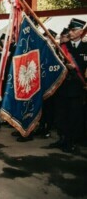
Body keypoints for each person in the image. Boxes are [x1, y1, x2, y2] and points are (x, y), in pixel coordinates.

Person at [50, 18, 86, 153]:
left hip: (77, 88)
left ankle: (71, 142)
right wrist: (65, 66)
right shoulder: (63, 47)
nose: (70, 33)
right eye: (70, 30)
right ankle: (62, 138)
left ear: (81, 31)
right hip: (63, 87)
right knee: (61, 115)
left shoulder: (85, 48)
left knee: (74, 117)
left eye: (73, 30)